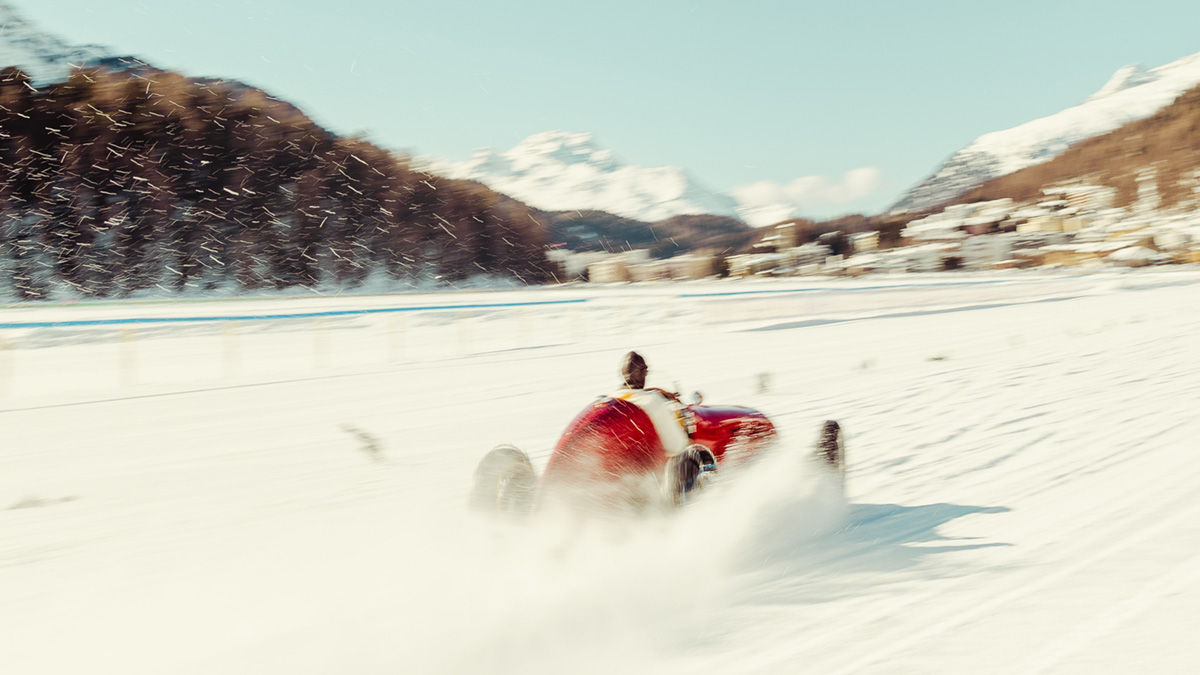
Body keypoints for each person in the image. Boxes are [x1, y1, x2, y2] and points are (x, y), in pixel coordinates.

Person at [612, 351, 691, 456]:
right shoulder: (652, 401)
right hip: (648, 463)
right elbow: (676, 447)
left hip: (620, 457)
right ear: (643, 373)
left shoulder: (614, 398)